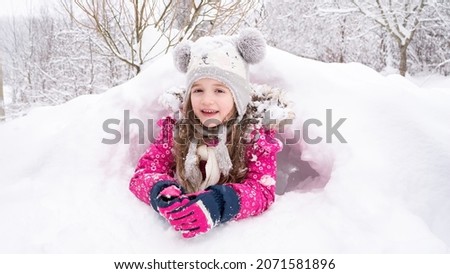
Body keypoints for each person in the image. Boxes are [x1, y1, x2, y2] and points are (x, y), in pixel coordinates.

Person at [129, 28, 284, 238]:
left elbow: (262, 190)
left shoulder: (255, 135)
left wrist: (220, 203)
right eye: (198, 90)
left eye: (219, 90)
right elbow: (144, 173)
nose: (207, 100)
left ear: (238, 96)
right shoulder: (177, 129)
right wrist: (163, 192)